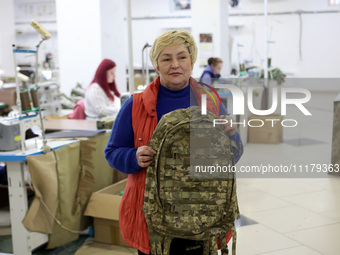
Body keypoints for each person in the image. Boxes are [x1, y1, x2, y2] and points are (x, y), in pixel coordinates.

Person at [104, 30, 243, 255]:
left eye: (182, 57)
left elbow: (234, 155)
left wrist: (231, 136)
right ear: (157, 66)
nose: (175, 64)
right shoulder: (135, 105)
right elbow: (112, 152)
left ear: (191, 62)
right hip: (154, 217)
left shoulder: (212, 102)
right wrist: (133, 157)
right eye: (166, 59)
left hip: (204, 214)